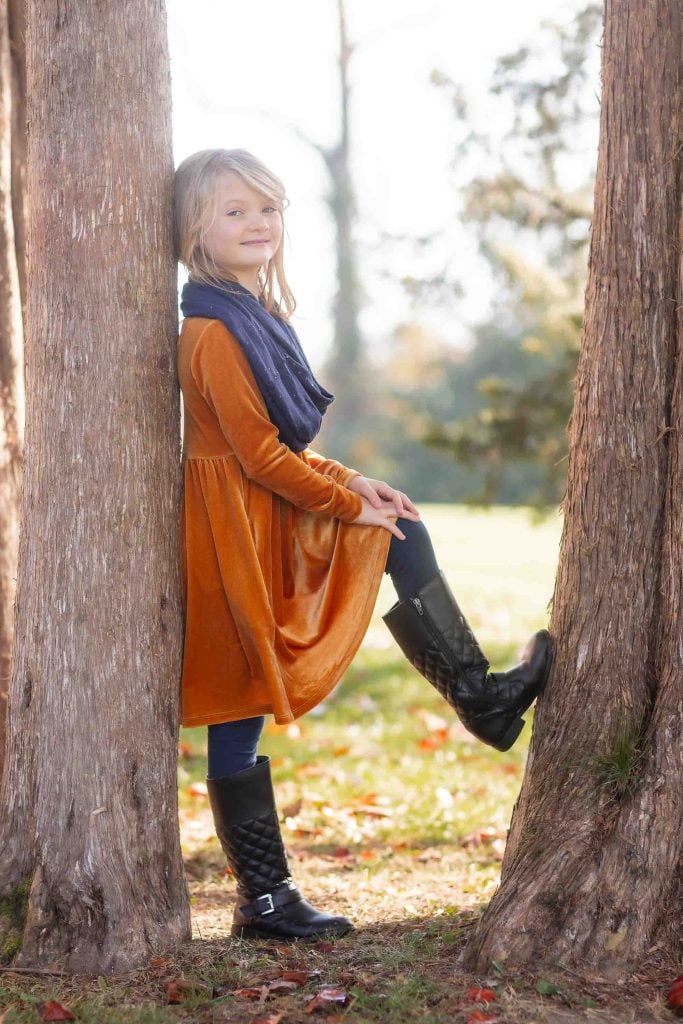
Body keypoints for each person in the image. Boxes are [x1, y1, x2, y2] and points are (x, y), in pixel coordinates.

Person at [174, 148, 553, 942]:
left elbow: (283, 447)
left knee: (401, 520)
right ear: (194, 232)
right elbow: (256, 456)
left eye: (266, 208)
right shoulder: (211, 329)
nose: (256, 224)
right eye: (233, 211)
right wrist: (344, 504)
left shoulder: (255, 316)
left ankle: (479, 695)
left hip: (265, 506)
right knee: (242, 693)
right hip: (234, 529)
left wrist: (359, 485)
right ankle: (266, 901)